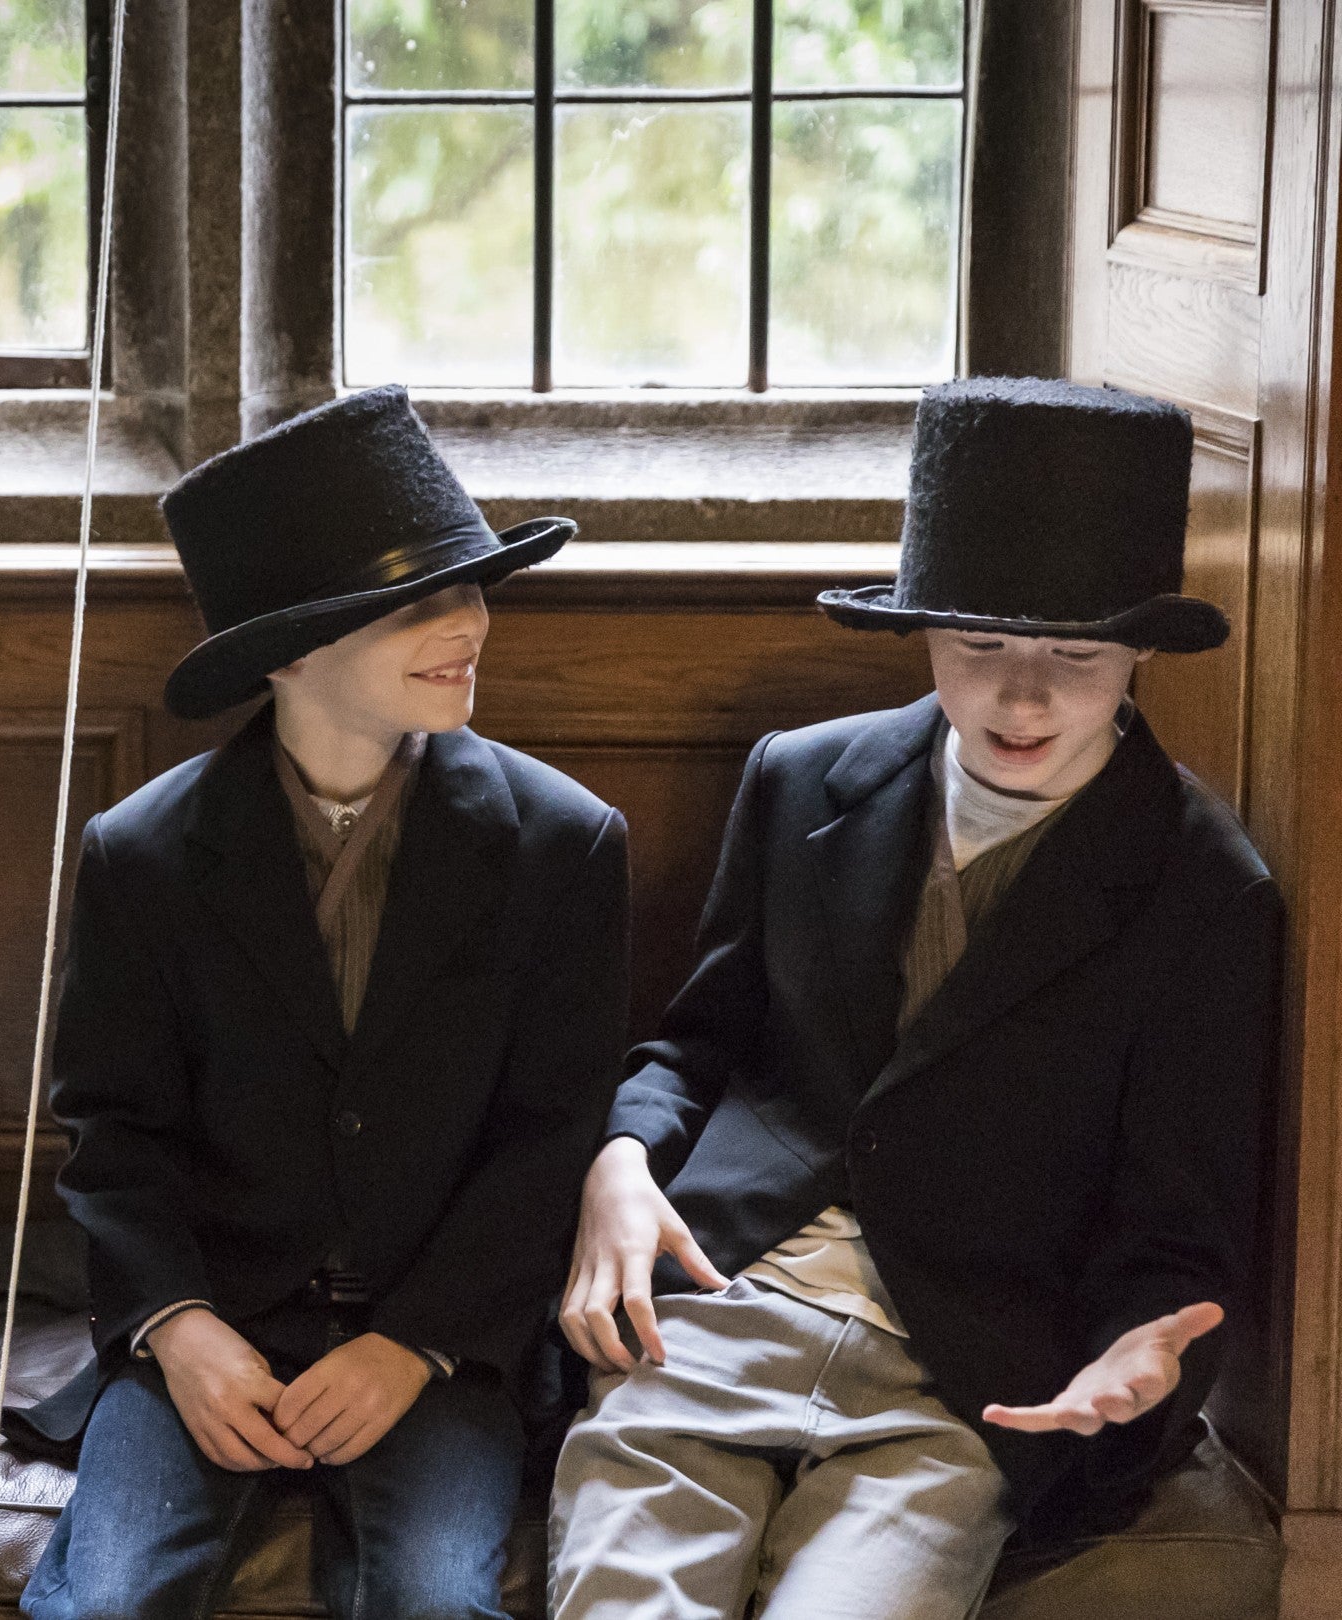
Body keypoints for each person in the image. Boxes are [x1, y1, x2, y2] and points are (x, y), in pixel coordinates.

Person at [549, 377, 1283, 1620]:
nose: (1023, 697)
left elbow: (1177, 1229)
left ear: (1142, 651)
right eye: (981, 647)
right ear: (923, 631)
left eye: (1075, 657)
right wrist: (621, 1157)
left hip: (960, 1378)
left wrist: (1143, 1356)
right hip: (723, 1308)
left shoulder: (1208, 890)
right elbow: (697, 1043)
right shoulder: (802, 778)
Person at [10, 384, 632, 1620]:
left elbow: (551, 1133)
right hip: (213, 1316)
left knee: (437, 1599)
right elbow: (113, 1129)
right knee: (109, 1602)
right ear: (291, 648)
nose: (469, 626)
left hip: (440, 1340)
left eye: (474, 588)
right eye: (419, 603)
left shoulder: (564, 843)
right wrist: (180, 1329)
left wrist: (419, 1344)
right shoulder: (142, 852)